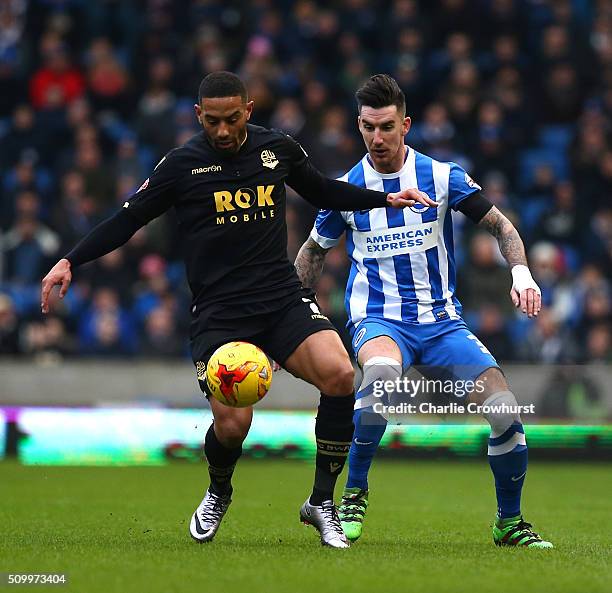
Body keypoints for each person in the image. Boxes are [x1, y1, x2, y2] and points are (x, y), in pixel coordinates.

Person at [40, 71, 435, 549]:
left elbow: (323, 191)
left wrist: (385, 197)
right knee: (234, 424)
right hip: (220, 314)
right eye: (212, 122)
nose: (222, 131)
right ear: (197, 117)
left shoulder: (278, 150)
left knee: (340, 375)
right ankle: (218, 491)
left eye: (231, 119)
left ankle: (321, 502)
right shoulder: (181, 166)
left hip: (280, 300)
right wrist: (70, 259)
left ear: (248, 111)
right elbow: (128, 219)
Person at [294, 74, 553, 548]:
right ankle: (353, 495)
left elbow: (501, 226)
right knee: (381, 379)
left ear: (406, 125)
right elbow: (313, 252)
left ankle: (509, 523)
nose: (377, 138)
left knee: (504, 412)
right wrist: (291, 316)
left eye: (386, 127)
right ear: (359, 127)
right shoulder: (346, 188)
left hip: (440, 323)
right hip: (378, 318)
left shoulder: (441, 176)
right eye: (368, 127)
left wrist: (521, 273)